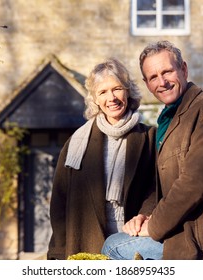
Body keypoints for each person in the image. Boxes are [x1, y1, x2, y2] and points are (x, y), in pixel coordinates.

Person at [101, 40, 203, 260]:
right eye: (153, 77)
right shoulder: (167, 121)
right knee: (117, 241)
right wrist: (145, 216)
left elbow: (196, 182)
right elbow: (162, 186)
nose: (162, 82)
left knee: (113, 247)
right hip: (186, 232)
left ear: (183, 69)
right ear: (146, 83)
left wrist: (154, 225)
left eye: (167, 72)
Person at [47, 57, 162, 260]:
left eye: (117, 89)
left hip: (132, 240)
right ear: (95, 100)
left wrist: (143, 217)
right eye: (103, 92)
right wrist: (58, 250)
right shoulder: (76, 142)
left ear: (127, 91)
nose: (112, 98)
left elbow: (156, 189)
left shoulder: (150, 138)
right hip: (85, 240)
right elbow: (59, 201)